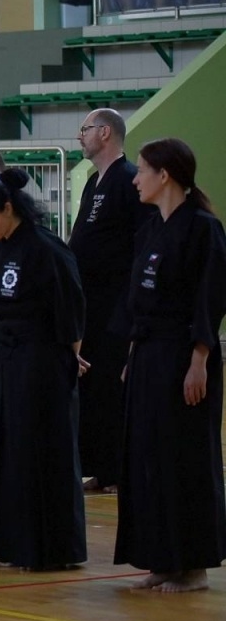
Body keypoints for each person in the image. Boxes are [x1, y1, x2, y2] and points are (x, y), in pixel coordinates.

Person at [0, 169, 88, 571]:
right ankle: (13, 544)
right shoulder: (1, 247)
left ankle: (52, 548)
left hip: (43, 363)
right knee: (11, 452)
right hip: (10, 359)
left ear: (8, 208)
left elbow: (70, 312)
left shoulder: (47, 250)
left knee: (44, 452)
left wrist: (72, 355)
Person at [117, 138, 226, 594]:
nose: (136, 178)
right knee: (148, 454)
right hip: (148, 355)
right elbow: (138, 301)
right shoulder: (150, 229)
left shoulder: (203, 228)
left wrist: (199, 359)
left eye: (142, 170)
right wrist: (131, 355)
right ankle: (161, 558)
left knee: (185, 455)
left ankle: (194, 565)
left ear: (165, 176)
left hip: (184, 355)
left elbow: (210, 297)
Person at [70, 109, 152, 492]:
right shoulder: (92, 181)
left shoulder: (129, 179)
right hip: (90, 304)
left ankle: (119, 470)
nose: (79, 137)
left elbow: (140, 248)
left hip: (116, 303)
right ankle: (101, 467)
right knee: (94, 388)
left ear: (105, 133)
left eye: (84, 129)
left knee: (112, 387)